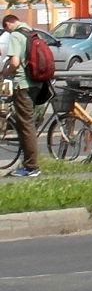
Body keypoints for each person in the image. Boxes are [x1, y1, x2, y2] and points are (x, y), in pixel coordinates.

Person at [2, 14, 42, 177]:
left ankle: (31, 167)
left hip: (22, 84)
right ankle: (30, 164)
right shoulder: (31, 32)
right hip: (35, 83)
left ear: (7, 25)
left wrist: (5, 72)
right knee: (28, 123)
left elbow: (15, 63)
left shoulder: (17, 35)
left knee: (26, 125)